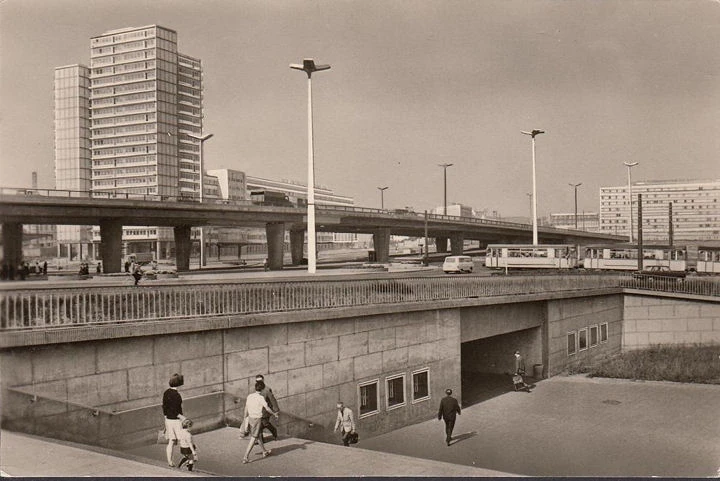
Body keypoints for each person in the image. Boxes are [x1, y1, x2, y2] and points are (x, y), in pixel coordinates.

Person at [242, 380, 278, 464]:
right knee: (254, 438)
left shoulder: (250, 396)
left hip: (250, 418)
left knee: (257, 436)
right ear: (262, 389)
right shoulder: (261, 398)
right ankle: (245, 457)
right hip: (257, 419)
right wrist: (274, 414)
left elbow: (246, 408)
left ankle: (264, 451)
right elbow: (267, 408)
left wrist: (244, 418)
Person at [241, 374, 279, 440]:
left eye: (260, 380)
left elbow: (273, 400)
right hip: (257, 410)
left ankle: (273, 431)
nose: (258, 382)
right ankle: (260, 440)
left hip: (265, 411)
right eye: (257, 381)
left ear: (263, 380)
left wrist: (276, 411)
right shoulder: (256, 388)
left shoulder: (267, 389)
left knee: (265, 424)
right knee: (260, 426)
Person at [162, 373, 186, 467]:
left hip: (168, 419)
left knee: (171, 441)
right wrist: (182, 417)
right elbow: (176, 410)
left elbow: (164, 406)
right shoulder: (177, 395)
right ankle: (187, 459)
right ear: (179, 383)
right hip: (176, 420)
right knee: (183, 439)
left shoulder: (166, 392)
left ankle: (170, 461)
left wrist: (165, 417)